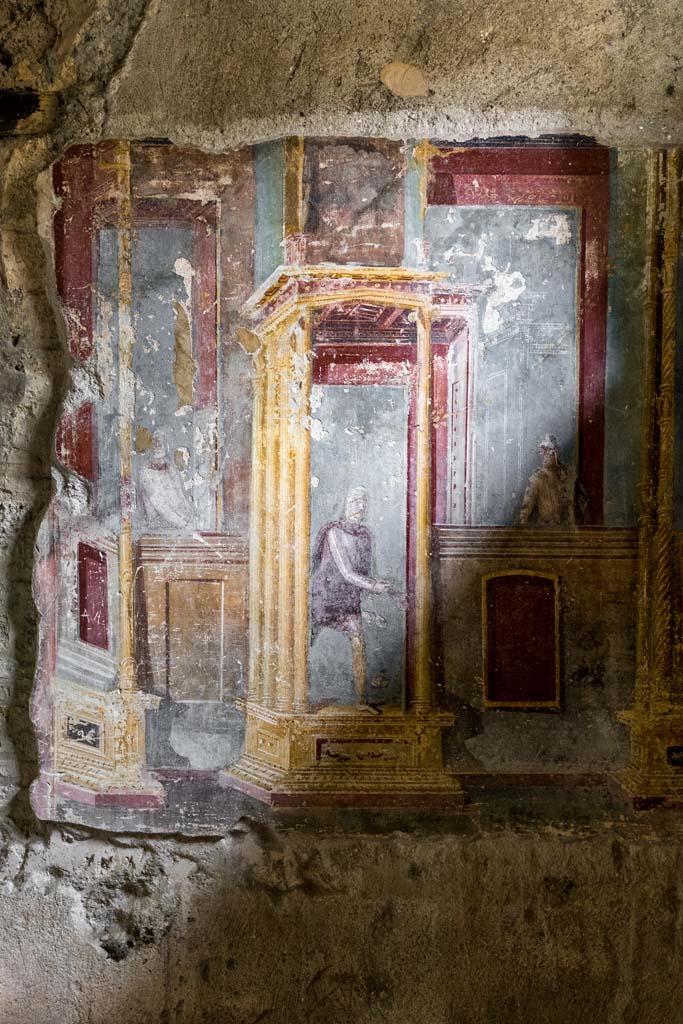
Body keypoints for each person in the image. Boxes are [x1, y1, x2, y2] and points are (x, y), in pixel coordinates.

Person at [310, 485, 400, 709]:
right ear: (344, 504)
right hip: (325, 597)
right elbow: (347, 572)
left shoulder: (366, 535)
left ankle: (361, 701)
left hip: (349, 600)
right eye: (354, 501)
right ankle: (300, 697)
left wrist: (368, 609)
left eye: (363, 501)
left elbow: (368, 573)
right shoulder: (334, 532)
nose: (359, 506)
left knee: (358, 642)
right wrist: (376, 586)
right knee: (306, 639)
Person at [519, 434, 588, 527]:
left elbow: (582, 509)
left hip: (569, 533)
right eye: (545, 450)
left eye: (552, 449)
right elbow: (525, 515)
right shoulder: (537, 478)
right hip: (546, 534)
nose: (550, 454)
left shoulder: (570, 476)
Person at [138, 430, 194, 530]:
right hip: (159, 524)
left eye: (160, 442)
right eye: (154, 443)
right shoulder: (146, 471)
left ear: (166, 445)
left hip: (179, 519)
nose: (157, 446)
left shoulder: (170, 466)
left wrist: (190, 516)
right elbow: (158, 503)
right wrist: (183, 524)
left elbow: (180, 495)